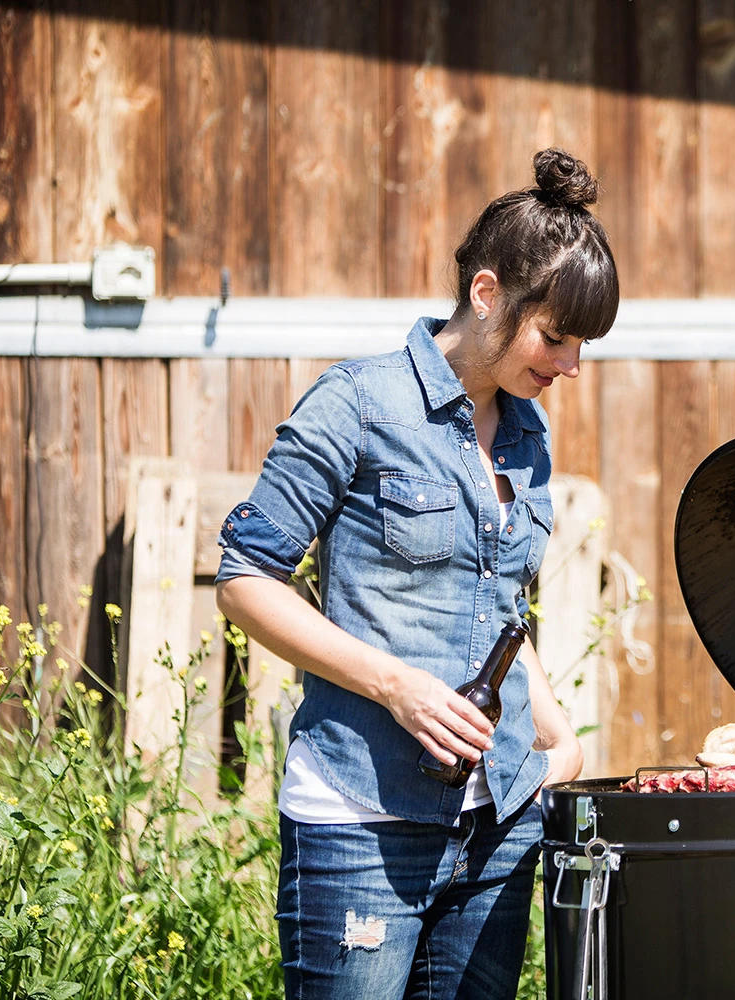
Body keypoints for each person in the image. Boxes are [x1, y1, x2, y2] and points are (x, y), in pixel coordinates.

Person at [214, 148, 616, 1000]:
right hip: (363, 820)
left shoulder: (526, 435)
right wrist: (397, 687)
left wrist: (555, 732)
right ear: (486, 294)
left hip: (498, 827)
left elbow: (501, 604)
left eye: (582, 346)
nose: (570, 366)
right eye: (556, 336)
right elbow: (245, 580)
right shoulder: (357, 404)